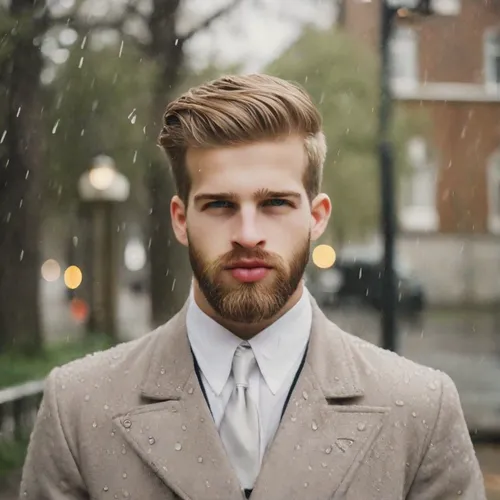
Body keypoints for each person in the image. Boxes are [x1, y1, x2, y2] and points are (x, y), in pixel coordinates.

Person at [20, 74, 485, 500]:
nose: (247, 233)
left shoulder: (422, 409)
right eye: (220, 204)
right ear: (181, 220)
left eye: (276, 203)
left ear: (316, 216)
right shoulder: (78, 407)